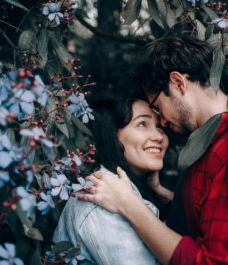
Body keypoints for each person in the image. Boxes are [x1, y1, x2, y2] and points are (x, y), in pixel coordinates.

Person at [78, 35, 228, 265]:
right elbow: (201, 215)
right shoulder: (207, 144)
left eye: (158, 107)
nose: (164, 126)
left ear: (178, 82)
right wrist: (157, 191)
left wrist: (129, 205)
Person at [53, 97, 173, 265]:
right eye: (142, 124)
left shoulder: (131, 194)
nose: (158, 136)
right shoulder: (99, 201)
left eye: (160, 127)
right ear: (115, 136)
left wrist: (158, 189)